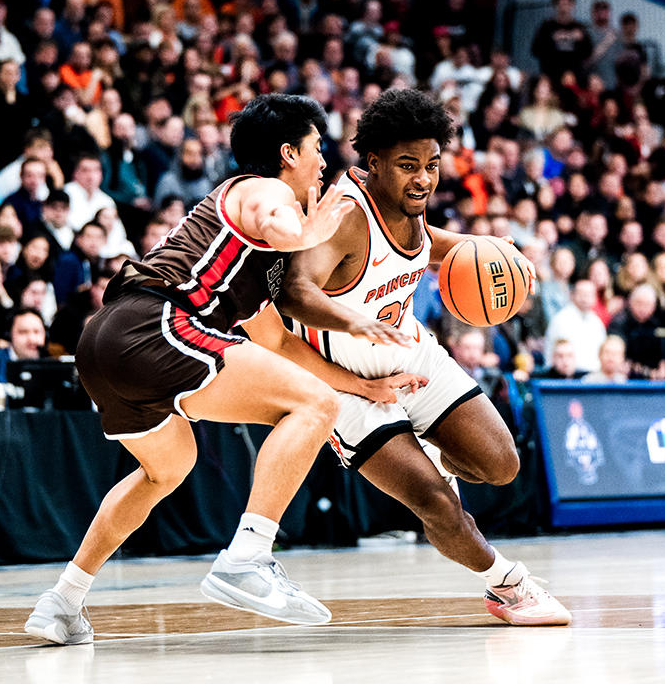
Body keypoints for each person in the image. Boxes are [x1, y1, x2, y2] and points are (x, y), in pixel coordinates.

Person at [24, 93, 420, 644]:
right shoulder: (264, 191)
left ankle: (62, 600)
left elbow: (278, 345)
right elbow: (279, 221)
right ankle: (248, 558)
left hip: (106, 344)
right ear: (287, 152)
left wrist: (364, 385)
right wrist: (312, 231)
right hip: (155, 325)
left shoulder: (255, 258)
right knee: (314, 405)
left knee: (168, 468)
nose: (323, 161)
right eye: (315, 148)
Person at [278, 89, 570, 626]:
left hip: (412, 353)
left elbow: (424, 241)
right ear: (374, 163)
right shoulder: (345, 216)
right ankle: (506, 584)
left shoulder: (410, 204)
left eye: (431, 165)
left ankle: (433, 452)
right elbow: (296, 290)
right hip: (347, 383)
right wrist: (352, 320)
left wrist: (490, 249)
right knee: (437, 504)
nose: (423, 179)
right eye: (408, 165)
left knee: (502, 466)